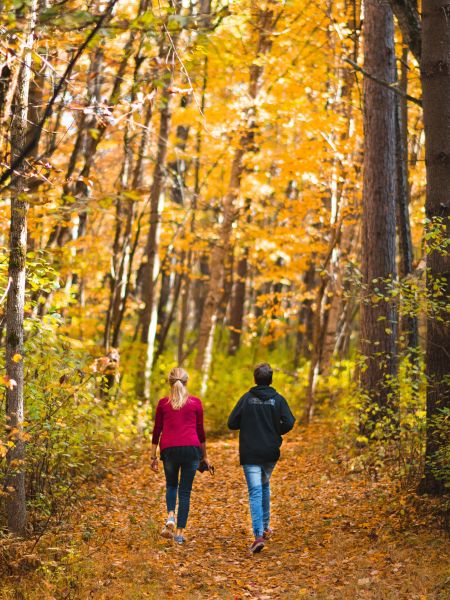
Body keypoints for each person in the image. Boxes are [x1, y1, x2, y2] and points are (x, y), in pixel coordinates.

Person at [228, 363, 295, 553]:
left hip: (250, 452)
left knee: (256, 491)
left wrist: (249, 424)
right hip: (269, 452)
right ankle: (265, 527)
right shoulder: (278, 399)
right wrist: (275, 430)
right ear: (270, 379)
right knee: (264, 486)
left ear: (255, 379)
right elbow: (290, 421)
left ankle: (258, 535)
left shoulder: (247, 399)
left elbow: (231, 422)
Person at [151, 367, 210, 545]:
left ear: (169, 383)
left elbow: (157, 431)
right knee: (185, 492)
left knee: (171, 485)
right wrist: (205, 456)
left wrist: (152, 456)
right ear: (186, 382)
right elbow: (200, 432)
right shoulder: (196, 403)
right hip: (191, 450)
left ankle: (170, 515)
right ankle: (179, 534)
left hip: (169, 450)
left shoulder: (163, 403)